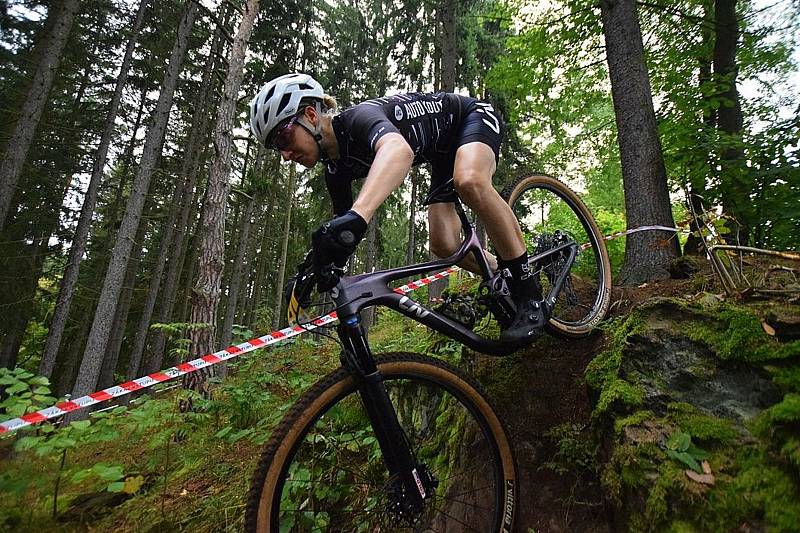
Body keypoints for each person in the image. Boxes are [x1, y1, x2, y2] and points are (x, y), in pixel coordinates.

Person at [249, 73, 547, 344]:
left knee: (469, 181)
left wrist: (358, 215)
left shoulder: (357, 119)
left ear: (311, 115)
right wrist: (310, 272)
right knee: (443, 244)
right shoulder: (335, 170)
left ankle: (529, 292)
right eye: (277, 148)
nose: (285, 154)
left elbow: (398, 150)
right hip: (440, 152)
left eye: (284, 137)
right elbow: (342, 232)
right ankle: (501, 273)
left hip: (470, 118)